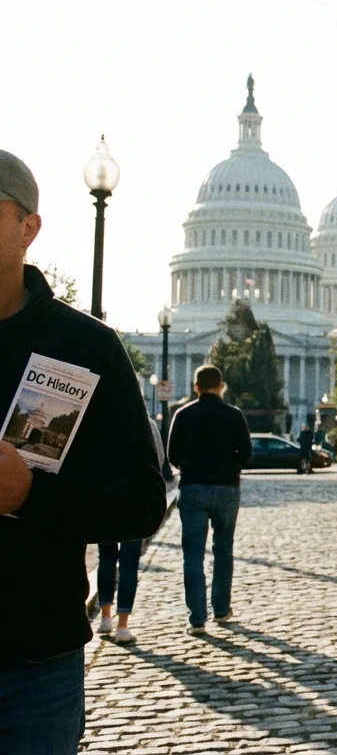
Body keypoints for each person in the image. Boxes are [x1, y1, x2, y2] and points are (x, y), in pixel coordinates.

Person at [0, 149, 166, 753]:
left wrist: (29, 494)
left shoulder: (82, 348)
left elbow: (142, 501)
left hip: (32, 660)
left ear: (29, 228)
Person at [167, 364, 251, 636]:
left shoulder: (183, 414)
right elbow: (247, 454)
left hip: (193, 489)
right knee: (223, 550)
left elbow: (172, 455)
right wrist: (230, 465)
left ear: (196, 387)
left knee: (192, 555)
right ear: (222, 385)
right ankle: (222, 609)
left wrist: (191, 465)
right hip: (226, 488)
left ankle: (197, 618)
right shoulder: (234, 415)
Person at [95, 415, 169, 645]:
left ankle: (105, 617)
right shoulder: (146, 424)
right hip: (134, 500)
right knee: (129, 564)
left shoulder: (102, 422)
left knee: (106, 558)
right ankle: (122, 625)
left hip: (105, 498)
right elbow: (159, 458)